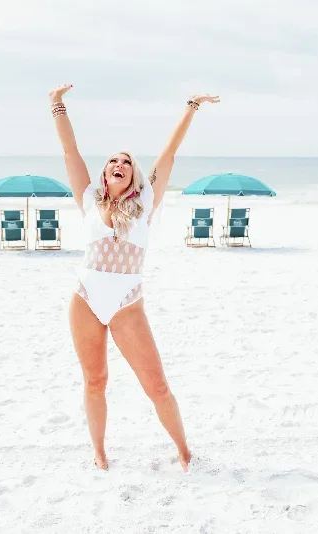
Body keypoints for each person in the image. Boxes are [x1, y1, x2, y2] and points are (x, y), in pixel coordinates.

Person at [49, 83, 219, 472]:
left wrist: (192, 105)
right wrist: (57, 106)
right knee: (95, 381)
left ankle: (184, 451)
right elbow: (70, 152)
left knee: (156, 386)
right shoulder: (90, 200)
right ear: (106, 174)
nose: (119, 164)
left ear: (133, 173)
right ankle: (100, 453)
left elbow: (169, 153)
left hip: (128, 303)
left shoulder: (146, 204)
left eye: (126, 161)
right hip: (85, 298)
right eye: (113, 161)